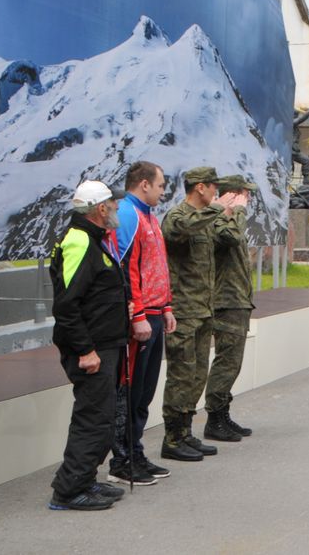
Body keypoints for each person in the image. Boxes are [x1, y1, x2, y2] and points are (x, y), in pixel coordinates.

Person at [49, 180, 130, 511]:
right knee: (92, 419)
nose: (116, 208)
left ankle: (83, 480)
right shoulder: (81, 242)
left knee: (102, 418)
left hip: (104, 345)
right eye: (112, 203)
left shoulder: (93, 239)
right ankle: (68, 492)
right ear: (100, 209)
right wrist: (85, 350)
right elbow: (67, 305)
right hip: (92, 349)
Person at [107, 161, 174, 486]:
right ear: (144, 184)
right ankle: (122, 459)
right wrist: (136, 315)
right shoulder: (130, 216)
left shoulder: (149, 216)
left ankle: (135, 451)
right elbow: (127, 270)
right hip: (141, 317)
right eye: (160, 186)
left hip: (155, 312)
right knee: (130, 391)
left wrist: (166, 307)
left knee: (145, 391)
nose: (163, 192)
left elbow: (156, 265)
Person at [159, 166, 222, 462]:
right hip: (183, 310)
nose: (216, 193)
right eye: (213, 187)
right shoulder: (178, 216)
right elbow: (180, 231)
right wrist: (220, 210)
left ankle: (185, 432)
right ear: (200, 187)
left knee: (197, 375)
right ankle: (171, 438)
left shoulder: (205, 221)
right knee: (181, 374)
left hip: (203, 308)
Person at [203, 175, 256, 442]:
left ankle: (222, 413)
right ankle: (214, 418)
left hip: (236, 300)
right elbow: (232, 238)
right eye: (245, 195)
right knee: (227, 362)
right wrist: (238, 210)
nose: (248, 200)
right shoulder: (218, 221)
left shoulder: (227, 220)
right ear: (232, 195)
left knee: (232, 362)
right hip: (225, 301)